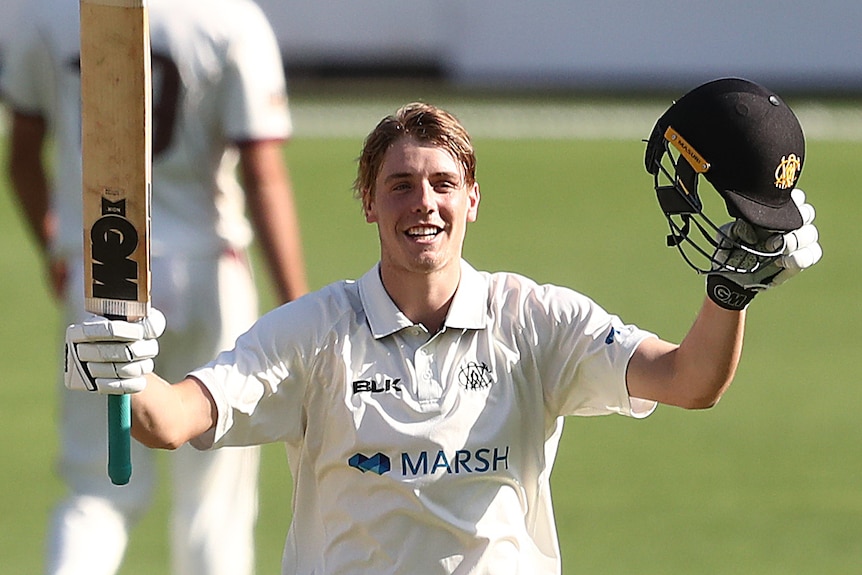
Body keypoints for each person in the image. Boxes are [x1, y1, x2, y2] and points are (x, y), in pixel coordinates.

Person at [63, 84, 821, 575]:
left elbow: (688, 380)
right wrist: (126, 372)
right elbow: (177, 417)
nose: (422, 202)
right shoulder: (313, 332)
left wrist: (728, 295)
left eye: (442, 184)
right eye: (400, 184)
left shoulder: (537, 320)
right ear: (368, 201)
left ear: (472, 200)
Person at [1, 0, 308, 573]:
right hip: (208, 269)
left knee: (95, 490)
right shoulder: (228, 17)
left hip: (101, 274)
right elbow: (262, 174)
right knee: (214, 504)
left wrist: (57, 249)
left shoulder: (45, 14)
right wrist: (300, 307)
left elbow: (20, 155)